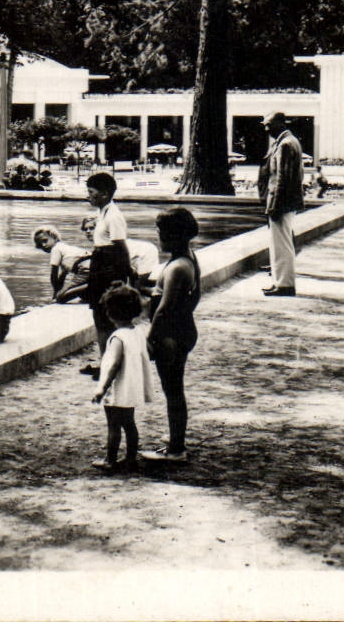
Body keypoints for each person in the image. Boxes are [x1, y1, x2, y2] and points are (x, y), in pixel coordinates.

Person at [141, 207, 201, 464]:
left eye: (161, 233)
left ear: (174, 235)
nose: (159, 238)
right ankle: (176, 436)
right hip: (182, 328)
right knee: (174, 389)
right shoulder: (188, 258)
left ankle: (176, 449)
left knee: (173, 389)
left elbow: (164, 309)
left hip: (171, 334)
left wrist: (150, 336)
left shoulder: (177, 267)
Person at [89, 283, 156, 474]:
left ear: (111, 313)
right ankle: (131, 458)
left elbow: (114, 364)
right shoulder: (137, 333)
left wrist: (102, 387)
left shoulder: (117, 337)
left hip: (118, 389)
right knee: (129, 423)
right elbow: (148, 352)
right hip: (131, 387)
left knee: (113, 426)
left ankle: (110, 460)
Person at [81, 171, 136, 374]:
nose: (88, 195)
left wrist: (126, 276)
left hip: (108, 268)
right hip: (100, 265)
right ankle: (104, 361)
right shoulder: (103, 212)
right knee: (99, 317)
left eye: (91, 191)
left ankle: (109, 364)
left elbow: (120, 249)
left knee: (106, 317)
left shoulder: (113, 217)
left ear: (104, 194)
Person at [257, 111, 304, 297]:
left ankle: (285, 284)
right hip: (285, 202)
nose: (267, 129)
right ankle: (279, 281)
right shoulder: (289, 141)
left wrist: (274, 205)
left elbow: (282, 179)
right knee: (281, 243)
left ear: (280, 124)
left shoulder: (285, 144)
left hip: (281, 202)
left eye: (269, 125)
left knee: (281, 244)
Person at [35, 225, 90, 300]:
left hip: (85, 269)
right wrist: (58, 291)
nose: (43, 245)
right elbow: (62, 277)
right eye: (40, 244)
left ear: (54, 237)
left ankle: (92, 285)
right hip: (93, 266)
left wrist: (56, 295)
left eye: (45, 240)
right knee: (82, 296)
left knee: (61, 297)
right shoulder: (64, 249)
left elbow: (53, 275)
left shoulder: (56, 249)